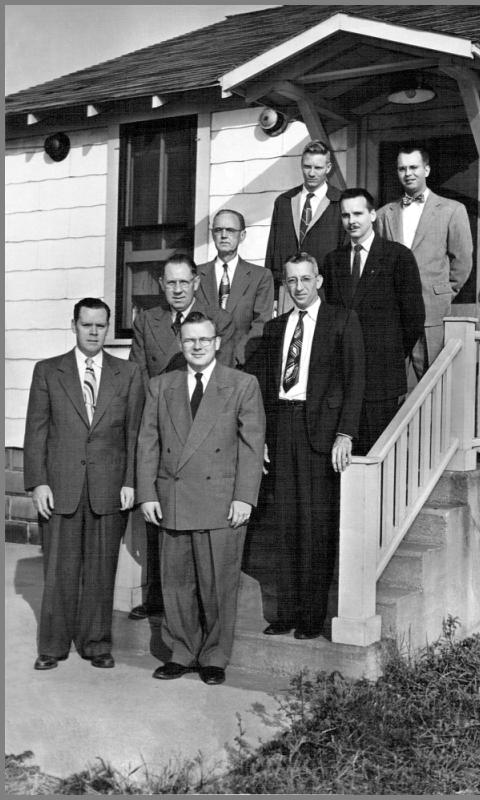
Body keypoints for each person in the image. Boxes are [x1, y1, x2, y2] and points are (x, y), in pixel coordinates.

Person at [136, 311, 265, 685]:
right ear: (181, 342)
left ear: (217, 343)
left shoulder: (242, 384)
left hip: (221, 501)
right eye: (190, 340)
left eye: (204, 340)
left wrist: (245, 498)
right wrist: (147, 493)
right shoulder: (161, 386)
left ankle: (214, 656)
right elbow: (148, 444)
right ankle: (180, 652)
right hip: (173, 497)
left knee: (217, 586)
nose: (197, 346)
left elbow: (251, 447)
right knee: (176, 584)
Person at [246, 253, 365, 640]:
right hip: (282, 427)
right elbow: (264, 385)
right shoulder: (276, 327)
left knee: (316, 526)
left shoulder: (341, 320)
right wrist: (262, 436)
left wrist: (345, 434)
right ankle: (286, 612)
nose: (298, 287)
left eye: (305, 279)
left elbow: (355, 381)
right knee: (285, 525)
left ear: (319, 280)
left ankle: (312, 616)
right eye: (291, 281)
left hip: (321, 433)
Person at [23, 298, 144, 671]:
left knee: (100, 569)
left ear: (108, 327)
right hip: (60, 486)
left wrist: (130, 482)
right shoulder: (48, 371)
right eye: (86, 324)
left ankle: (95, 643)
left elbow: (134, 433)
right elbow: (36, 433)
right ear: (73, 325)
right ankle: (53, 645)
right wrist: (38, 483)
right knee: (59, 570)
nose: (93, 332)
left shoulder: (128, 373)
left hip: (108, 486)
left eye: (100, 326)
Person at [128, 251, 236, 620]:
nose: (176, 289)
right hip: (162, 424)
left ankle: (202, 611)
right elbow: (138, 373)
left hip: (206, 429)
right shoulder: (148, 320)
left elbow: (228, 375)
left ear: (196, 283)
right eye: (169, 282)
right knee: (162, 514)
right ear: (162, 284)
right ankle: (158, 597)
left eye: (183, 282)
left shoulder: (217, 320)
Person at [322, 188, 425, 454]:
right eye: (345, 215)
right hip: (344, 375)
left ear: (372, 215)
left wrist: (389, 353)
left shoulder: (398, 256)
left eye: (358, 213)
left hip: (382, 375)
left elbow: (413, 316)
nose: (351, 221)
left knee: (379, 452)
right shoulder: (333, 262)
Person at [376, 145, 473, 378]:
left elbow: (462, 260)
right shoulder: (383, 214)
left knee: (432, 381)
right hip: (394, 315)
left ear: (426, 170)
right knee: (393, 382)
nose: (408, 173)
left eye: (413, 167)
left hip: (432, 312)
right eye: (402, 168)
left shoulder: (452, 210)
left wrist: (444, 292)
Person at [265, 139, 346, 310]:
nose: (311, 173)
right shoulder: (284, 202)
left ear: (328, 168)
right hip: (288, 293)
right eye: (307, 166)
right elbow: (271, 252)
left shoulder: (340, 202)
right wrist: (271, 296)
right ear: (301, 165)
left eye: (318, 168)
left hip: (325, 293)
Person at [196, 209, 274, 367]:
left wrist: (236, 358)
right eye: (218, 230)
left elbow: (261, 323)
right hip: (202, 363)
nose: (224, 235)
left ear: (242, 235)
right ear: (212, 234)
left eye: (230, 230)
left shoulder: (260, 276)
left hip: (242, 365)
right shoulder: (196, 275)